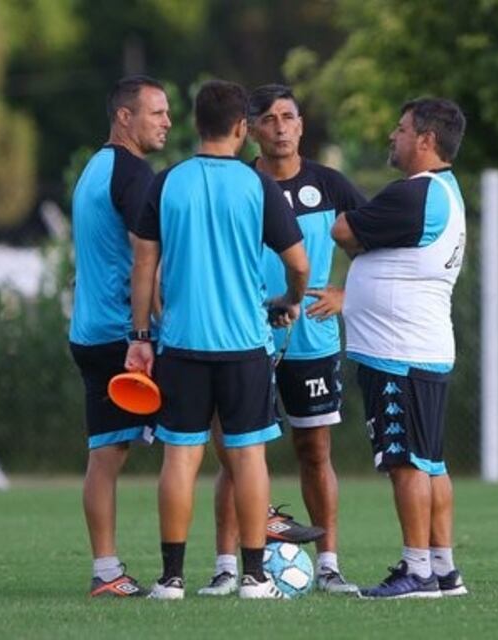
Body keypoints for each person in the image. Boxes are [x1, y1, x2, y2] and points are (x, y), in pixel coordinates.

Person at [126, 79, 309, 600]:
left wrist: (141, 334)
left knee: (180, 458)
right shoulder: (259, 187)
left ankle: (171, 578)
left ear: (194, 124)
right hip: (244, 346)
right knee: (249, 456)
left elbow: (144, 264)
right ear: (241, 128)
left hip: (181, 345)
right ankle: (254, 577)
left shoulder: (166, 183)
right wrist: (290, 299)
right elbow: (299, 263)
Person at [198, 84, 366, 597]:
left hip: (312, 338)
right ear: (249, 128)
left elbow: (374, 247)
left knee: (314, 449)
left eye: (287, 116)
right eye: (267, 118)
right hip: (245, 336)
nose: (279, 127)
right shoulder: (239, 181)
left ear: (301, 125)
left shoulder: (331, 186)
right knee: (238, 451)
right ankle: (228, 565)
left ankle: (330, 564)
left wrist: (346, 292)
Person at [331, 97, 469, 599]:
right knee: (430, 462)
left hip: (399, 352)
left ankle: (418, 572)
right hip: (422, 347)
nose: (393, 135)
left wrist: (361, 242)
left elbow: (343, 229)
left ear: (426, 140)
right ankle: (444, 569)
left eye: (401, 128)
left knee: (407, 462)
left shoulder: (414, 194)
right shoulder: (445, 193)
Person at [68, 75, 171, 598]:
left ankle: (107, 571)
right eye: (156, 112)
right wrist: (150, 330)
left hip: (89, 331)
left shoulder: (94, 167)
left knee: (106, 454)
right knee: (220, 421)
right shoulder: (133, 173)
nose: (167, 122)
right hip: (124, 337)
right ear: (124, 118)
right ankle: (241, 555)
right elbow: (145, 257)